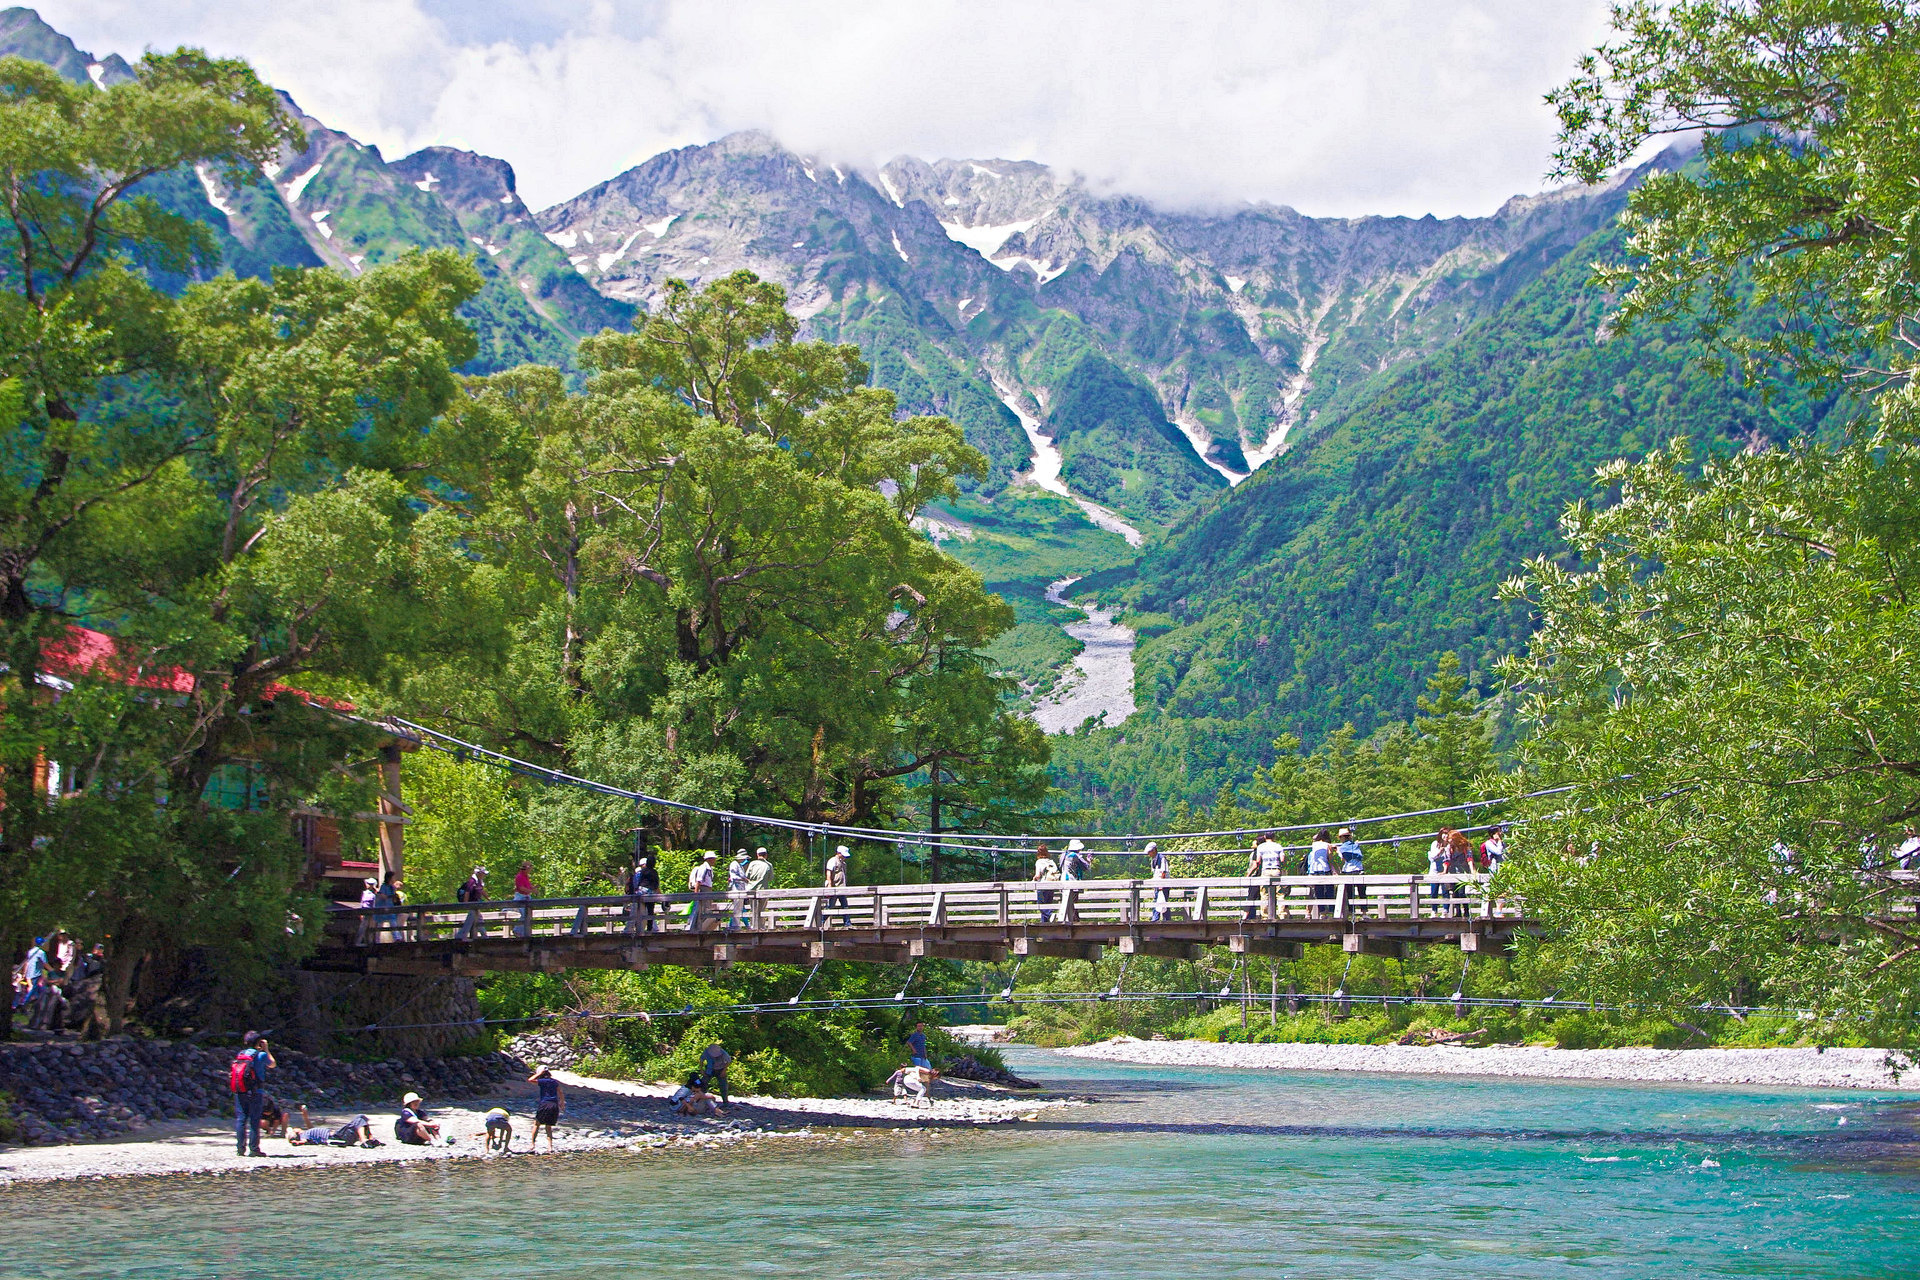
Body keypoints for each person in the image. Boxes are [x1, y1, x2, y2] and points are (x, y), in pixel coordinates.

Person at [230, 1031, 276, 1157]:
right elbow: (272, 1064)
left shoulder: (240, 1054)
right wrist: (266, 1049)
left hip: (240, 1090)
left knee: (241, 1119)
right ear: (258, 1042)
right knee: (254, 1120)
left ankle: (240, 1149)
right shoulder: (260, 1055)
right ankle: (254, 1149)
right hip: (256, 1091)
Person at [286, 1106, 374, 1148]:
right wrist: (296, 1142)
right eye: (294, 1129)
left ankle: (371, 1139)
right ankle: (364, 1140)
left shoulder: (308, 1132)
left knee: (361, 1118)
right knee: (359, 1118)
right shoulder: (304, 1136)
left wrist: (305, 1116)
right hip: (337, 1137)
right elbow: (303, 1141)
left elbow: (310, 1127)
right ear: (296, 1132)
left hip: (343, 1136)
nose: (296, 1127)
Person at [529, 1065, 563, 1151]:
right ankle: (550, 1147)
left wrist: (539, 1074)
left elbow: (530, 1080)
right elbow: (560, 1092)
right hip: (554, 1105)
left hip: (545, 1104)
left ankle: (532, 1144)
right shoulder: (554, 1082)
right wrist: (562, 1102)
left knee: (536, 1124)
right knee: (548, 1127)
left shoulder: (543, 1081)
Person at [628, 855, 660, 932]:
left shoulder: (642, 872)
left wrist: (636, 889)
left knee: (638, 911)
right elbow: (656, 884)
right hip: (650, 893)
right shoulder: (654, 872)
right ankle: (649, 929)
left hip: (641, 891)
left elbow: (637, 881)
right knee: (650, 911)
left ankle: (638, 929)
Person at [1307, 830, 1336, 916]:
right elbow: (1330, 858)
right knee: (1329, 890)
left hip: (1315, 870)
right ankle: (1331, 909)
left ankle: (1322, 912)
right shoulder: (1327, 845)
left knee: (1319, 891)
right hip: (1325, 869)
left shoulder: (1314, 845)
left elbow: (1314, 839)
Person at [688, 850, 718, 931]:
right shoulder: (703, 868)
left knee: (707, 908)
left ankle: (704, 927)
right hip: (703, 889)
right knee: (703, 909)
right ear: (709, 859)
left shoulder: (709, 869)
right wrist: (696, 894)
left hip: (707, 890)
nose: (715, 860)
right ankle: (699, 927)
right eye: (713, 858)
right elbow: (699, 881)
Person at [1032, 843, 1060, 923]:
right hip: (1051, 886)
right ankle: (1044, 924)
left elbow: (1037, 875)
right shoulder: (1051, 862)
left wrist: (1034, 878)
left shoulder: (1039, 862)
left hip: (1042, 886)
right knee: (1048, 905)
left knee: (1041, 905)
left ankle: (1050, 915)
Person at [824, 844, 851, 927]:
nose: (844, 857)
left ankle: (847, 923)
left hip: (842, 888)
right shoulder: (833, 861)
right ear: (839, 853)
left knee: (845, 905)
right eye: (843, 855)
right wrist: (829, 886)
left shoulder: (843, 863)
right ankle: (821, 920)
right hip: (835, 887)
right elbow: (828, 873)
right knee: (831, 906)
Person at [1146, 841, 1171, 922]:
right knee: (1160, 901)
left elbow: (1163, 872)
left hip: (1163, 885)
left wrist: (1161, 885)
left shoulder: (1161, 858)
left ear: (1153, 850)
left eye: (1149, 852)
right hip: (1157, 885)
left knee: (1161, 901)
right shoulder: (1153, 860)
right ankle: (1165, 920)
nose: (1148, 854)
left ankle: (1158, 919)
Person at [727, 850, 752, 928]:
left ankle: (735, 925)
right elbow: (733, 876)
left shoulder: (740, 866)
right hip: (736, 889)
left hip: (741, 890)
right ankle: (734, 926)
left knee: (740, 908)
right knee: (737, 908)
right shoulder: (734, 864)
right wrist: (743, 879)